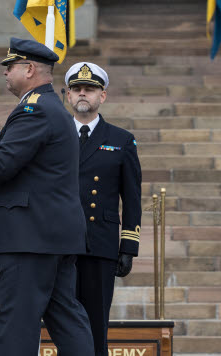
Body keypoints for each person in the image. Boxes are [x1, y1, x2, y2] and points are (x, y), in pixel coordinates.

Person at [0, 38, 93, 355]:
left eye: (10, 67)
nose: (6, 73)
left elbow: (3, 162)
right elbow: (26, 170)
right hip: (50, 234)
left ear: (29, 69)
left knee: (17, 322)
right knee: (65, 318)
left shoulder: (34, 109)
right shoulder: (49, 108)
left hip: (30, 236)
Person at [63, 62, 142, 356]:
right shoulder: (54, 135)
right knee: (62, 324)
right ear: (68, 96)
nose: (83, 94)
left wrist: (128, 247)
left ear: (103, 96)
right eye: (77, 89)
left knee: (96, 323)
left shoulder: (121, 140)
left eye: (90, 89)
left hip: (100, 243)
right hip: (59, 243)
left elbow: (132, 198)